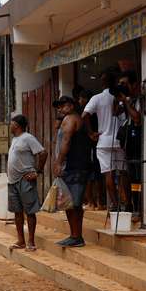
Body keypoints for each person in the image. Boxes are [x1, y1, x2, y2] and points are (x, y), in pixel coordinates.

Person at [82, 71, 131, 211]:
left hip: (103, 141)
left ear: (102, 83)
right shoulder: (121, 96)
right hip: (120, 140)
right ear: (115, 80)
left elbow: (84, 115)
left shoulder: (97, 98)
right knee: (123, 172)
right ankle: (128, 204)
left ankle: (115, 205)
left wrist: (91, 133)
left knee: (108, 173)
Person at [52, 96, 92, 247]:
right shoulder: (73, 119)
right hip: (76, 166)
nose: (60, 109)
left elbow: (67, 141)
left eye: (62, 105)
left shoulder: (70, 119)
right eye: (58, 106)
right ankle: (75, 235)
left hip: (73, 166)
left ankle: (76, 236)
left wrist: (58, 162)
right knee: (73, 203)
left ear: (70, 105)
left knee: (72, 203)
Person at [7, 115, 47, 252]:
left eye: (11, 123)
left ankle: (31, 241)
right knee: (17, 212)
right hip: (13, 181)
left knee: (29, 211)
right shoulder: (15, 139)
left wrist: (38, 171)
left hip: (25, 179)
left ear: (17, 125)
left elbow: (43, 153)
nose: (10, 126)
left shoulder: (28, 138)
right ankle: (21, 240)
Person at [116, 71, 143, 214]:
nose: (122, 87)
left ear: (134, 85)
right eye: (120, 84)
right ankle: (133, 205)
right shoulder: (128, 100)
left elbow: (137, 118)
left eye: (124, 84)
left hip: (138, 143)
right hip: (129, 144)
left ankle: (138, 208)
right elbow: (115, 112)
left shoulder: (139, 99)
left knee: (138, 178)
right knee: (132, 177)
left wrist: (126, 101)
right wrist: (120, 99)